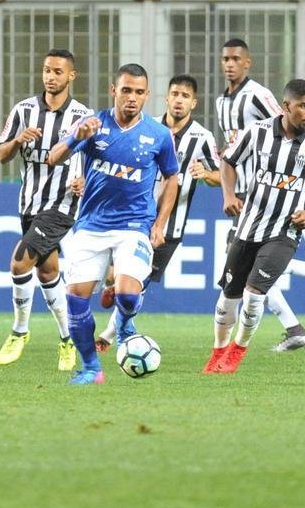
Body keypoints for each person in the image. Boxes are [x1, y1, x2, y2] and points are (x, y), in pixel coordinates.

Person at [45, 63, 180, 385]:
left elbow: (173, 177)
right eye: (125, 91)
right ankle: (91, 369)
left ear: (147, 95)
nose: (131, 98)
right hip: (91, 226)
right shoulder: (92, 124)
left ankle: (124, 325)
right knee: (75, 301)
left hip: (134, 226)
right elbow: (53, 157)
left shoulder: (159, 135)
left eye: (138, 92)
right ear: (114, 91)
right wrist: (76, 137)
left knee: (128, 295)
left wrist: (160, 223)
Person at [206, 79, 305, 374]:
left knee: (255, 295)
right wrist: (228, 194)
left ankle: (236, 353)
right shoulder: (257, 133)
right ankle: (217, 353)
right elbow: (228, 162)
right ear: (286, 106)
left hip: (285, 231)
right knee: (228, 297)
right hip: (248, 227)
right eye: (303, 106)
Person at [94, 73, 220, 350]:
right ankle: (111, 287)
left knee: (140, 280)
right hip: (133, 214)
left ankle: (109, 332)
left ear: (193, 103)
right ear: (166, 97)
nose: (178, 100)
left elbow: (222, 176)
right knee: (118, 274)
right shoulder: (148, 128)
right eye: (175, 94)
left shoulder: (202, 137)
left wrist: (206, 173)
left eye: (185, 96)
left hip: (170, 224)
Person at [0, 49, 92, 371]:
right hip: (29, 203)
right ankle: (69, 340)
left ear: (71, 76)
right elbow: (1, 154)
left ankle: (19, 331)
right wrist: (19, 141)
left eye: (58, 71)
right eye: (47, 70)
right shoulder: (23, 111)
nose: (51, 76)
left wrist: (84, 179)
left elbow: (96, 158)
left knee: (20, 262)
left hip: (62, 203)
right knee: (47, 272)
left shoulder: (82, 116)